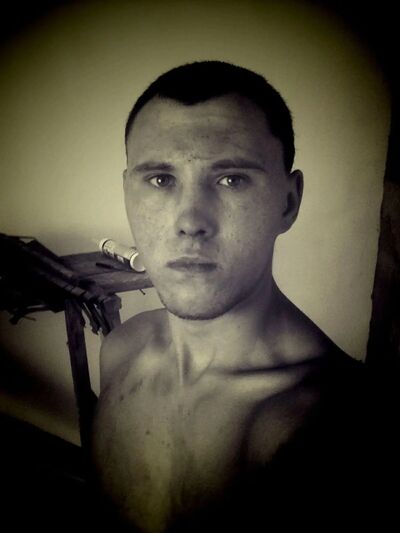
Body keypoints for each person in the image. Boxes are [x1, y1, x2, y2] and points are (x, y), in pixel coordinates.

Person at [90, 61, 397, 531]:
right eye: (160, 180)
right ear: (127, 192)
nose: (190, 222)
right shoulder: (119, 351)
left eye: (231, 179)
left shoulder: (346, 429)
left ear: (288, 203)